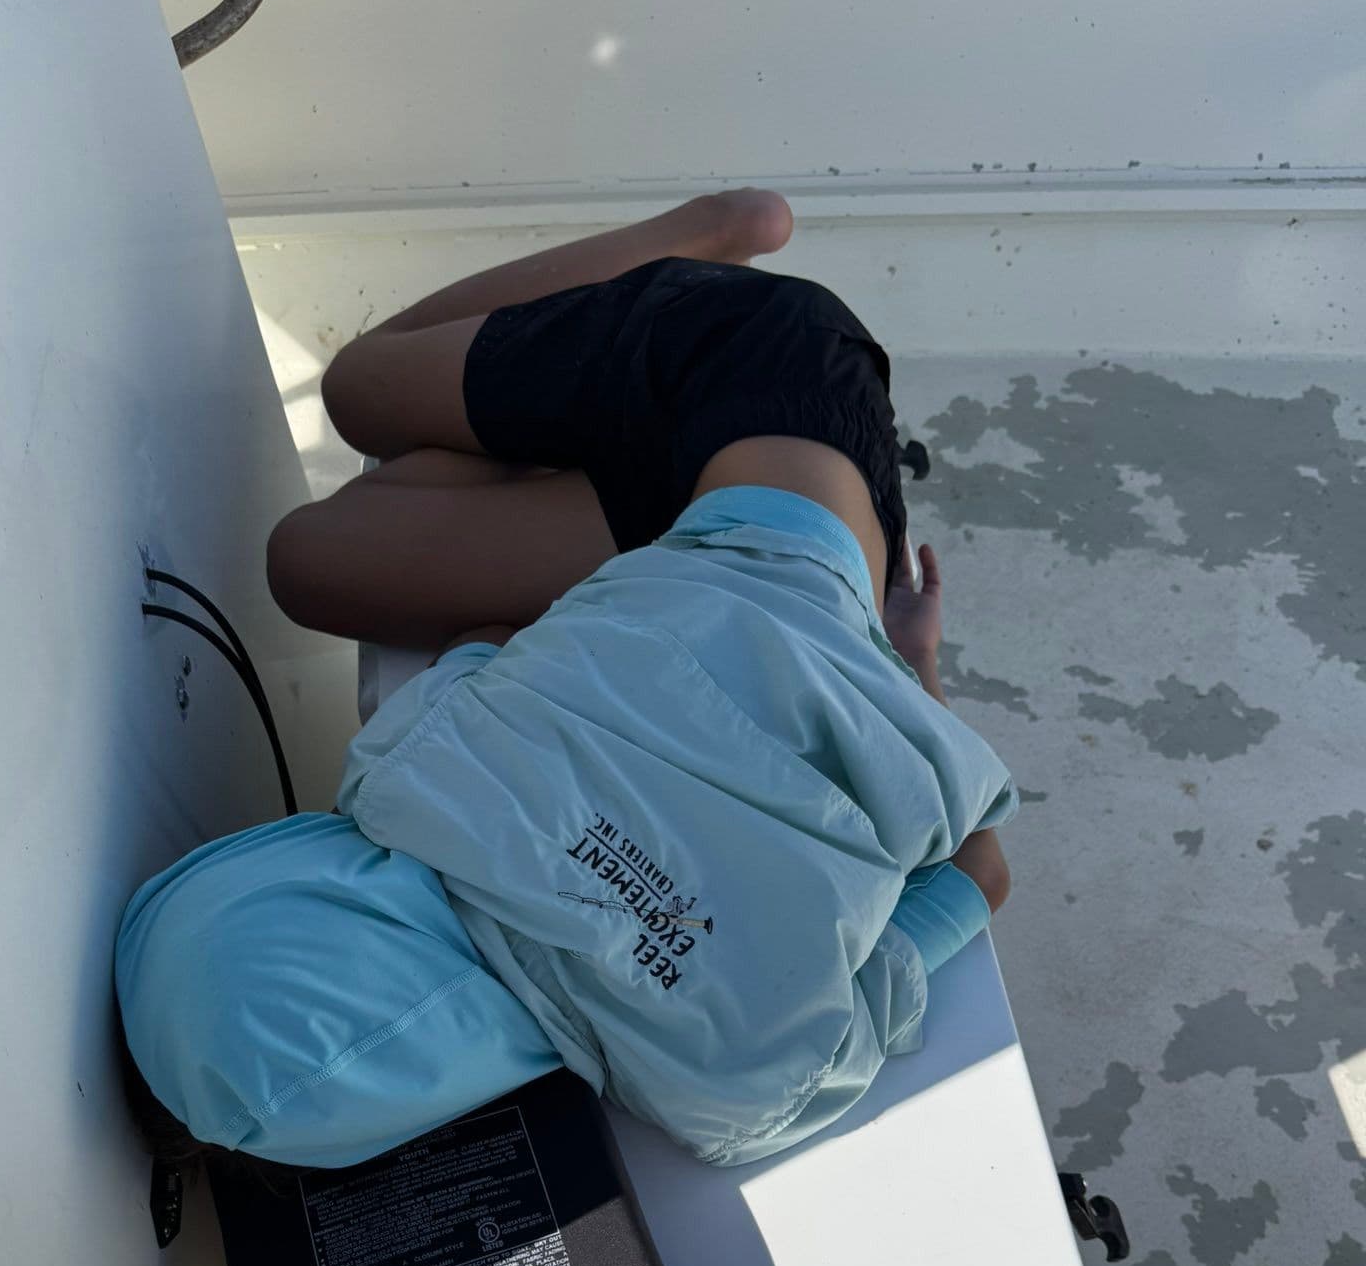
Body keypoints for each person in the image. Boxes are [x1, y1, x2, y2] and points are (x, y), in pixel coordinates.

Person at [116, 192, 1013, 1173]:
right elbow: (496, 636)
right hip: (774, 423)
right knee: (353, 409)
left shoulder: (738, 1085)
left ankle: (727, 229)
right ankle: (554, 417)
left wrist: (905, 660)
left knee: (330, 501)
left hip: (780, 491)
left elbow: (979, 870)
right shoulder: (415, 774)